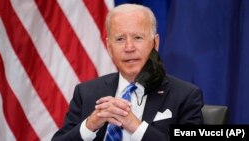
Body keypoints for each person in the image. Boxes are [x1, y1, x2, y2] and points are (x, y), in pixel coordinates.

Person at [52, 3, 203, 141]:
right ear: (109, 48)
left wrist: (136, 126)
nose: (129, 47)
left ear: (155, 43)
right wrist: (89, 125)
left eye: (137, 38)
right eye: (120, 39)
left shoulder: (185, 95)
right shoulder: (86, 93)